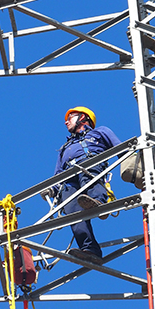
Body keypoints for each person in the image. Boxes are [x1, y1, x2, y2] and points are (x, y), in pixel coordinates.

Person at [42, 106, 121, 265]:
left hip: (89, 165)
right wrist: (53, 188)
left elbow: (120, 148)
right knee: (72, 211)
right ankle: (90, 250)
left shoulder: (99, 132)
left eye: (70, 117)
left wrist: (134, 163)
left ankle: (98, 201)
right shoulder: (65, 148)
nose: (66, 122)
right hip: (69, 176)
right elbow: (58, 174)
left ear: (83, 118)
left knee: (88, 172)